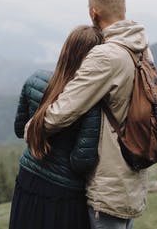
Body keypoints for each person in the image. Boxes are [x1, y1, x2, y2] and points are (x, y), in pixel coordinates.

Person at [43, 0, 154, 229]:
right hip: (133, 176)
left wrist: (33, 129)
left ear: (94, 12)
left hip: (109, 186)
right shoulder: (143, 49)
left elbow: (62, 112)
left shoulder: (106, 56)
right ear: (122, 9)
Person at [9, 25, 104, 229]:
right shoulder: (90, 102)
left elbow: (20, 130)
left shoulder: (35, 80)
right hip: (64, 195)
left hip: (28, 180)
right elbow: (81, 162)